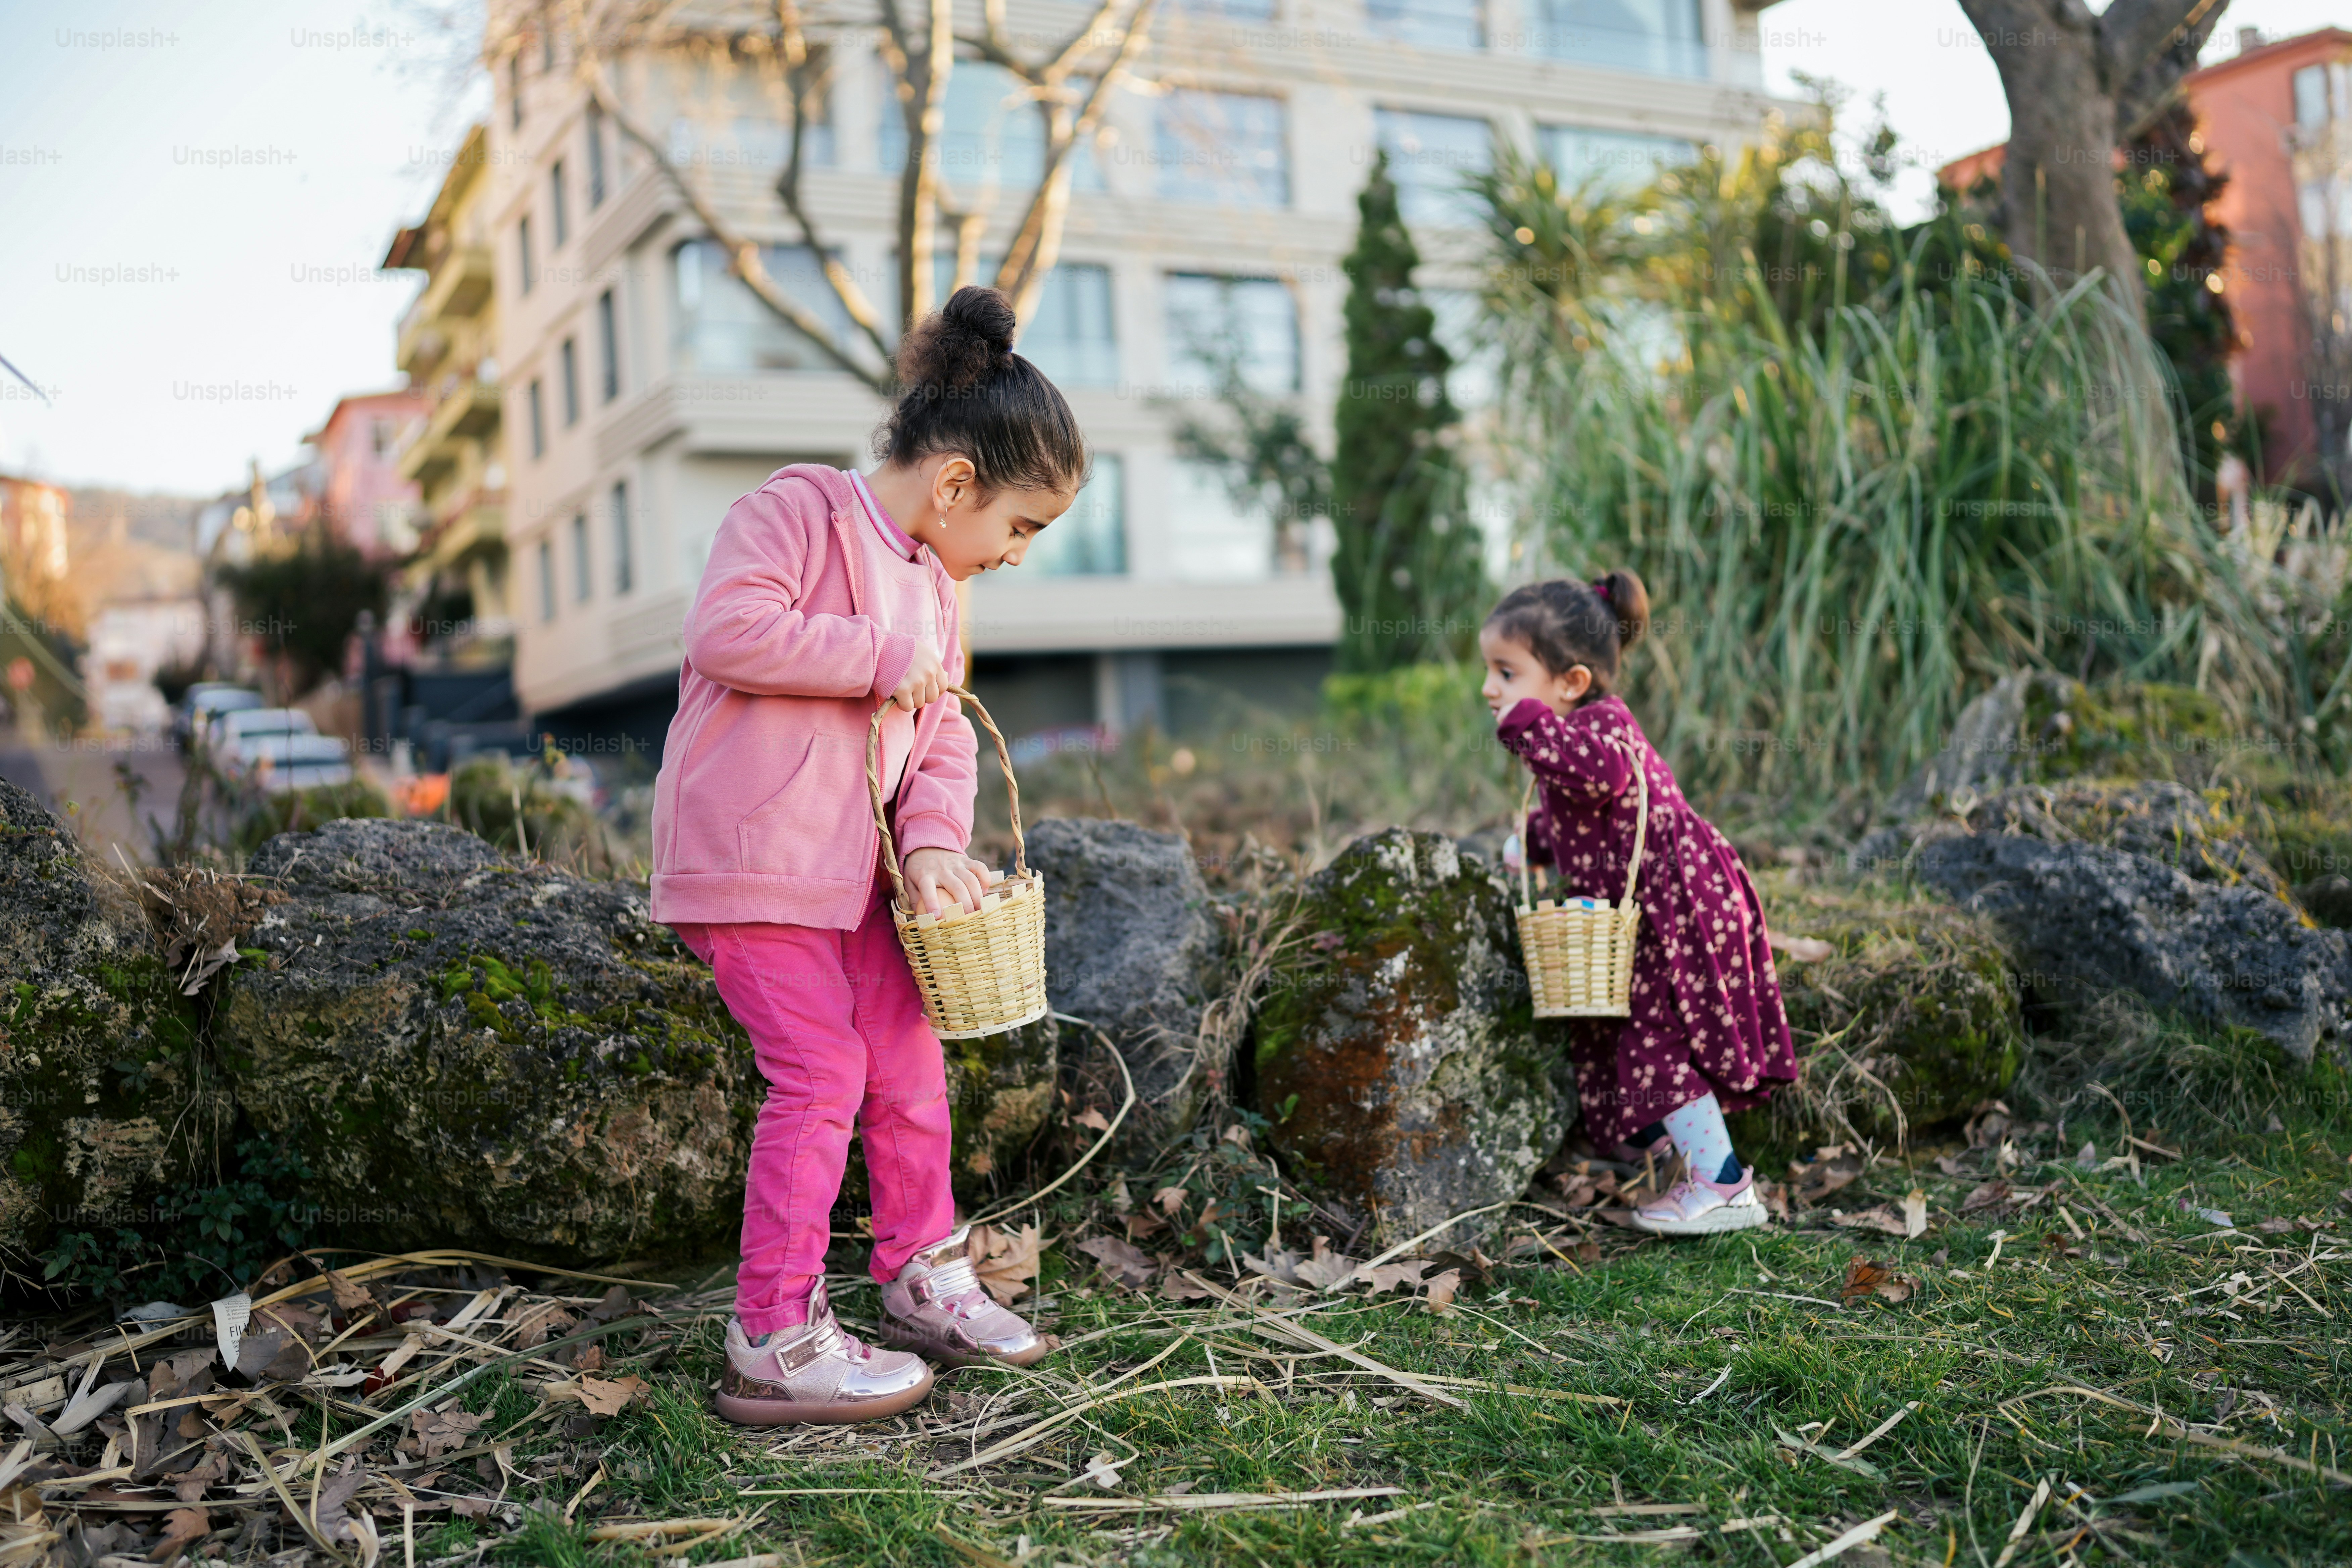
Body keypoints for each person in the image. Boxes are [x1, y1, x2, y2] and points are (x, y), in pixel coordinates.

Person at [650, 287, 1086, 1422]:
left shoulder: (937, 591)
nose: (1014, 556)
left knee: (904, 1060)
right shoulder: (793, 511)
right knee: (821, 1072)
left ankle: (915, 1268)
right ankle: (774, 1332)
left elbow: (942, 731)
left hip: (862, 880)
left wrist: (936, 844)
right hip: (753, 869)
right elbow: (726, 630)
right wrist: (873, 651)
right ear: (955, 485)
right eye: (1019, 527)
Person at [1482, 573, 1799, 1236]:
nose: (1491, 690)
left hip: (1677, 905)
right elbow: (1594, 818)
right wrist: (1536, 839)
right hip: (1651, 902)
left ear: (1570, 682)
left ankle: (1724, 1182)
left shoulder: (1599, 727)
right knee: (1616, 1027)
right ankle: (1654, 1141)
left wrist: (1525, 726)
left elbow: (1604, 777)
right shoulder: (1574, 741)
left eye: (1507, 673)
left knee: (1657, 1039)